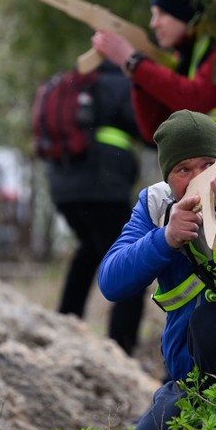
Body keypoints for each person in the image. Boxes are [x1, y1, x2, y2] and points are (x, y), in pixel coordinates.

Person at [97, 110, 216, 430]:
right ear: (169, 178)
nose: (200, 177)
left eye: (209, 164)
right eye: (184, 170)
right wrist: (164, 238)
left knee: (211, 320)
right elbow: (112, 282)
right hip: (188, 385)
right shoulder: (157, 203)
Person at [46, 60, 146, 355]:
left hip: (63, 189)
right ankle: (120, 349)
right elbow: (147, 128)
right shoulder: (121, 85)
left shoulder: (78, 84)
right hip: (103, 189)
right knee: (131, 265)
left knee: (89, 249)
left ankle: (64, 326)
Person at [90, 0, 216, 148]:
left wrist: (135, 64)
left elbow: (197, 99)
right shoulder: (185, 52)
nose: (154, 24)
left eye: (162, 14)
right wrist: (138, 75)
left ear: (185, 13)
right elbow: (155, 129)